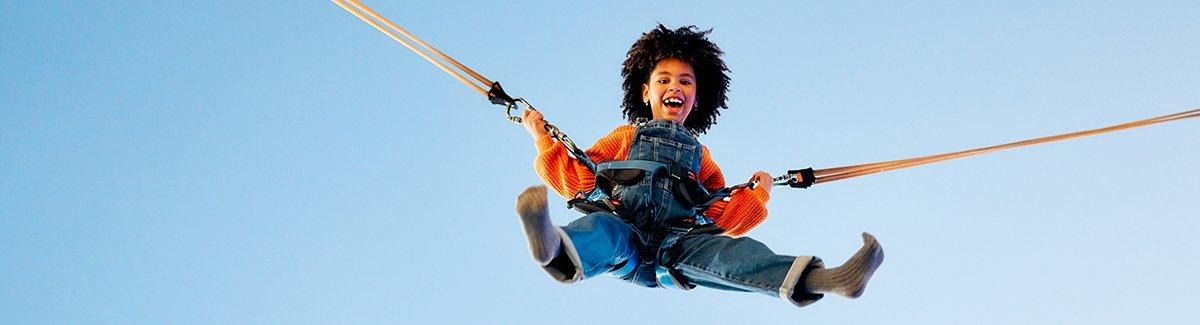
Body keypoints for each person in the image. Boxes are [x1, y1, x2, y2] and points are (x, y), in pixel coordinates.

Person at [514, 24, 883, 308]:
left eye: (685, 81)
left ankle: (826, 278)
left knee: (729, 255)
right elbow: (580, 177)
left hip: (678, 247)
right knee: (603, 230)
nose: (675, 86)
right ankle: (554, 247)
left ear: (695, 97)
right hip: (625, 228)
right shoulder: (625, 137)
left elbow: (725, 217)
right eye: (664, 79)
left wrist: (760, 194)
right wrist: (540, 134)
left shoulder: (702, 160)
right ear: (645, 92)